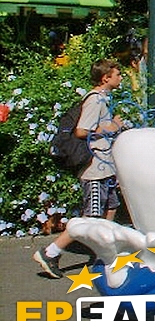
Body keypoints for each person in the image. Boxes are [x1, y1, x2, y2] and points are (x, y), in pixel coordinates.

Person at [34, 59, 125, 279]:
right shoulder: (94, 100)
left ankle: (103, 255)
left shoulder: (103, 98)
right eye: (117, 74)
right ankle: (51, 252)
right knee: (90, 217)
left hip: (105, 166)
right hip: (94, 168)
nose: (121, 77)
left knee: (111, 207)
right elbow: (82, 130)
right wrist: (112, 126)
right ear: (106, 78)